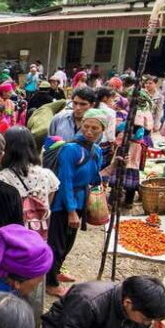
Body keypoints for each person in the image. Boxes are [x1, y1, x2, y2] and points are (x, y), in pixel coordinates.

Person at [45, 109, 104, 297]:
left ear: (103, 129)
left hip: (80, 199)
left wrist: (115, 166)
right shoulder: (71, 149)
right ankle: (50, 282)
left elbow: (95, 177)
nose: (89, 131)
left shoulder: (97, 151)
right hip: (63, 201)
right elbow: (66, 180)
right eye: (86, 126)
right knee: (57, 241)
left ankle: (58, 270)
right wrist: (71, 211)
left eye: (95, 128)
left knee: (69, 241)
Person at [0, 127, 59, 237]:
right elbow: (48, 203)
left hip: (12, 238)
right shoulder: (48, 176)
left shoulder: (0, 178)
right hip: (38, 238)